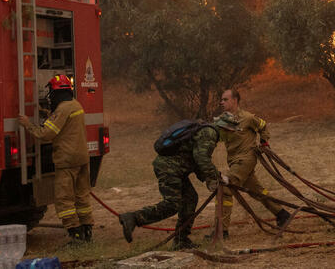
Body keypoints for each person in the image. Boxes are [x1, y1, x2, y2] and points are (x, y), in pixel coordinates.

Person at [118, 120, 223, 249]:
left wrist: (211, 177)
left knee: (190, 199)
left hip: (176, 169)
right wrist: (214, 176)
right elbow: (201, 158)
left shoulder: (204, 131)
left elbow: (194, 160)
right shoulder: (210, 133)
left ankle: (181, 240)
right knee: (172, 204)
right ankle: (134, 218)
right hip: (169, 168)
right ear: (226, 129)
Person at [19, 75, 93, 242]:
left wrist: (27, 125)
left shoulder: (62, 109)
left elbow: (45, 134)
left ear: (56, 93)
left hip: (67, 161)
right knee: (82, 197)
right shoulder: (75, 105)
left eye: (51, 92)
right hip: (82, 158)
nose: (50, 96)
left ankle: (75, 235)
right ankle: (87, 231)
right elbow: (63, 120)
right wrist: (45, 112)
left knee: (64, 199)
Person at [214, 89, 290, 237]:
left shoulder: (248, 118)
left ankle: (221, 232)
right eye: (221, 100)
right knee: (257, 191)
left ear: (235, 100)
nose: (221, 102)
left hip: (246, 159)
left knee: (225, 187)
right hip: (234, 161)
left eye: (225, 99)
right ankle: (282, 214)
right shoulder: (222, 120)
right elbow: (214, 135)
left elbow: (263, 126)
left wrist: (264, 142)